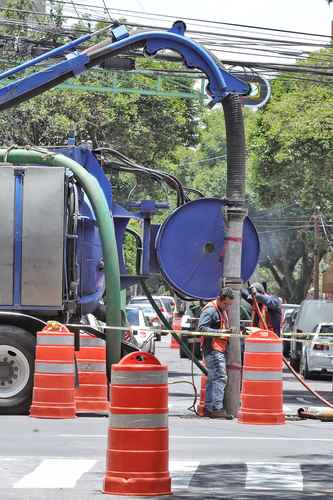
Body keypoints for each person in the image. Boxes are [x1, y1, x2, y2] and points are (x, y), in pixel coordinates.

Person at [198, 287, 234, 419]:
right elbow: (201, 328)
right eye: (226, 304)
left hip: (218, 348)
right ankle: (217, 408)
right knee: (220, 377)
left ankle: (209, 408)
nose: (227, 307)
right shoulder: (211, 310)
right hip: (213, 349)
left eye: (229, 305)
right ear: (219, 299)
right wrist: (220, 332)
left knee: (213, 378)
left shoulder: (220, 309)